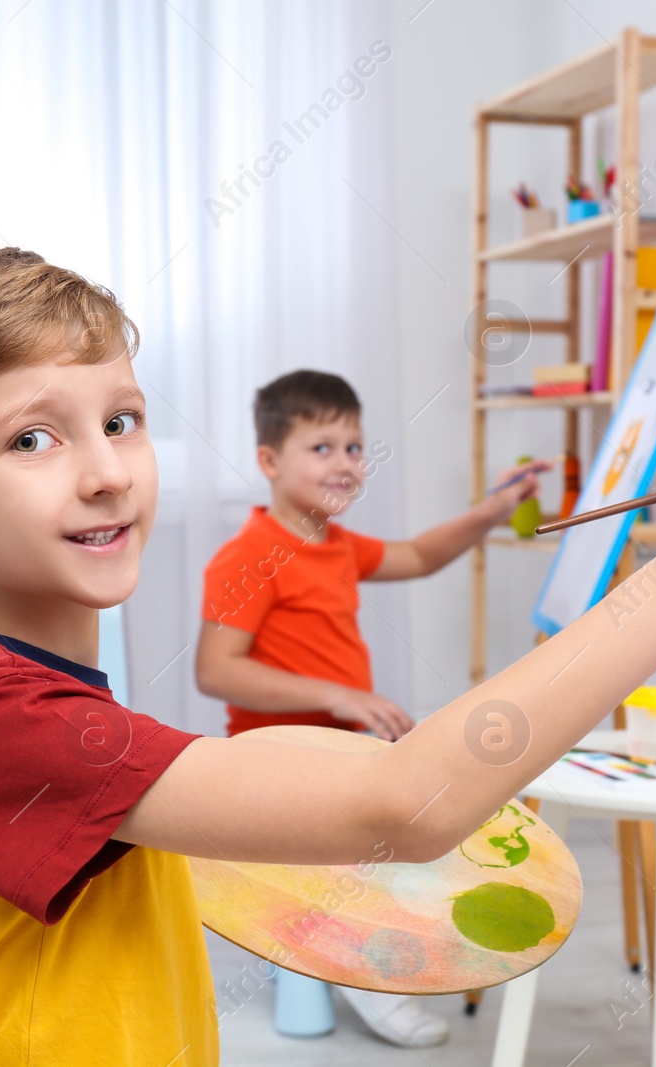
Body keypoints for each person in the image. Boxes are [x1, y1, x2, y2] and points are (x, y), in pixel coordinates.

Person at [0, 247, 656, 1066]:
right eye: (31, 438)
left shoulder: (3, 687)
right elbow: (400, 807)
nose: (106, 471)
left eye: (120, 420)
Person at [194, 368, 545, 1046]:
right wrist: (340, 693)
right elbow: (216, 670)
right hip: (282, 760)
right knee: (385, 855)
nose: (346, 463)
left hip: (338, 749)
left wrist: (493, 511)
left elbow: (416, 555)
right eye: (322, 447)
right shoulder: (248, 556)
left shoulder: (334, 543)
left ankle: (322, 964)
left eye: (354, 447)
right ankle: (373, 980)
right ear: (269, 461)